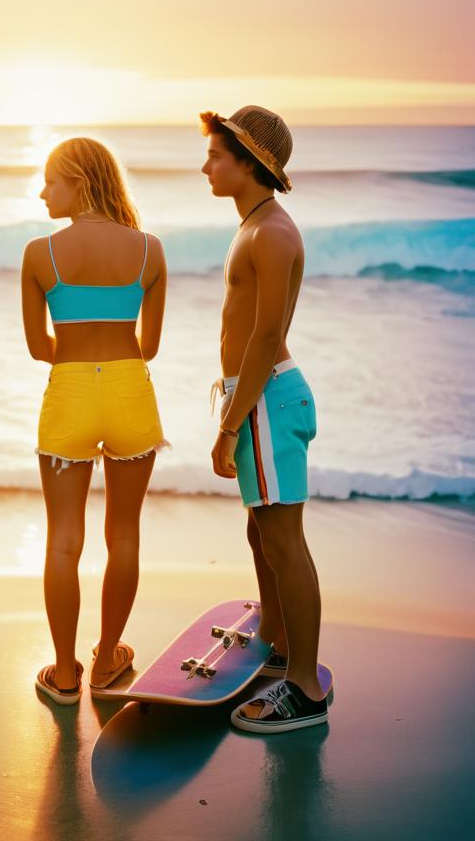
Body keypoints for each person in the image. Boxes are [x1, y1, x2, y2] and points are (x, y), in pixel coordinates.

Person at [21, 138, 168, 704]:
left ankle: (63, 673)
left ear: (78, 181)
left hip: (71, 391)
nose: (42, 192)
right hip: (131, 390)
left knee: (63, 540)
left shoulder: (41, 254)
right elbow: (148, 345)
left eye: (50, 181)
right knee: (124, 534)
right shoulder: (150, 251)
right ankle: (107, 658)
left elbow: (40, 347)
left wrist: (79, 348)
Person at [201, 105, 328, 733]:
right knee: (261, 532)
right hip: (257, 399)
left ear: (250, 163)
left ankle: (304, 687)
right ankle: (278, 645)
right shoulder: (253, 225)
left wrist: (229, 423)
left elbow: (265, 335)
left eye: (217, 156)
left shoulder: (272, 233)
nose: (206, 167)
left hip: (267, 402)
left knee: (283, 539)